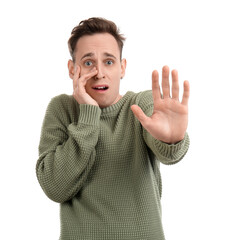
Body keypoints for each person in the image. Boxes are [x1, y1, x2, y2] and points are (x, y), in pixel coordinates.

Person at [36, 17, 190, 240]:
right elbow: (55, 187)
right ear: (72, 69)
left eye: (109, 62)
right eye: (88, 62)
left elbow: (168, 152)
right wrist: (88, 114)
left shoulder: (142, 104)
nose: (99, 72)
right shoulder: (61, 109)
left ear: (122, 67)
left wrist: (172, 140)